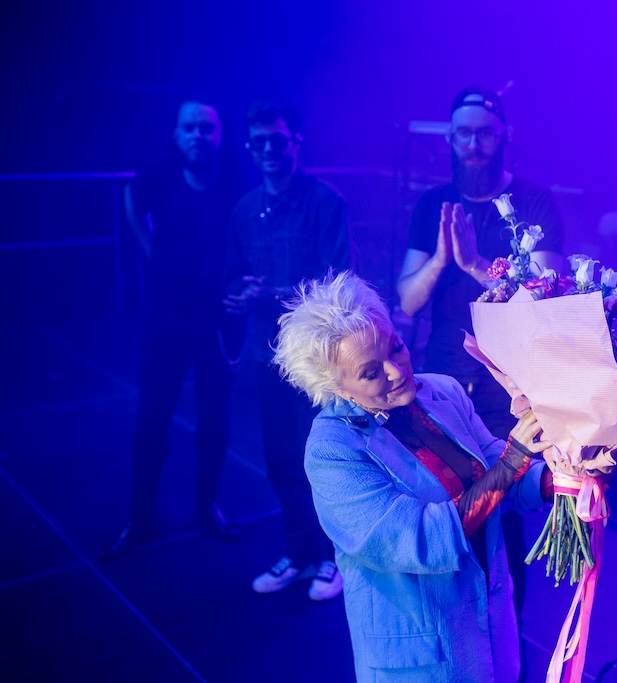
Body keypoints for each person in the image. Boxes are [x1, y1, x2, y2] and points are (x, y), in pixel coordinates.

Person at [272, 270, 552, 683]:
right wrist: (512, 463)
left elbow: (494, 464)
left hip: (493, 633)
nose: (396, 370)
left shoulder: (443, 391)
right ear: (337, 387)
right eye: (371, 372)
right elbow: (417, 538)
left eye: (396, 347)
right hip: (422, 660)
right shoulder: (332, 449)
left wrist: (563, 481)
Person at [396, 87, 564, 645]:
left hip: (505, 389)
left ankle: (506, 637)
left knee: (503, 509)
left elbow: (548, 301)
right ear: (450, 138)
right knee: (446, 503)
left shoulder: (534, 201)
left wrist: (473, 265)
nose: (474, 143)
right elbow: (408, 301)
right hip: (441, 383)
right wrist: (442, 260)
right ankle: (458, 638)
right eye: (463, 133)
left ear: (503, 136)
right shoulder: (432, 205)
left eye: (484, 133)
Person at [102, 99, 249, 558]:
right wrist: (153, 253)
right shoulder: (159, 175)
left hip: (219, 320)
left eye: (207, 128)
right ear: (176, 134)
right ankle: (140, 517)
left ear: (220, 135)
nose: (198, 135)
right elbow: (132, 203)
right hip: (165, 319)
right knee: (152, 417)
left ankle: (206, 506)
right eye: (189, 128)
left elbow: (255, 231)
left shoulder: (237, 180)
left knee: (215, 417)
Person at [225, 99, 352, 600]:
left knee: (324, 461)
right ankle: (299, 553)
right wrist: (239, 293)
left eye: (277, 140)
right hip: (267, 357)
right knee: (281, 462)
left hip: (317, 362)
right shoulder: (243, 209)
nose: (268, 149)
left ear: (295, 142)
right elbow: (234, 272)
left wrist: (269, 295)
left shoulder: (325, 203)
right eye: (258, 142)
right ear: (249, 147)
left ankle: (333, 559)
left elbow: (337, 284)